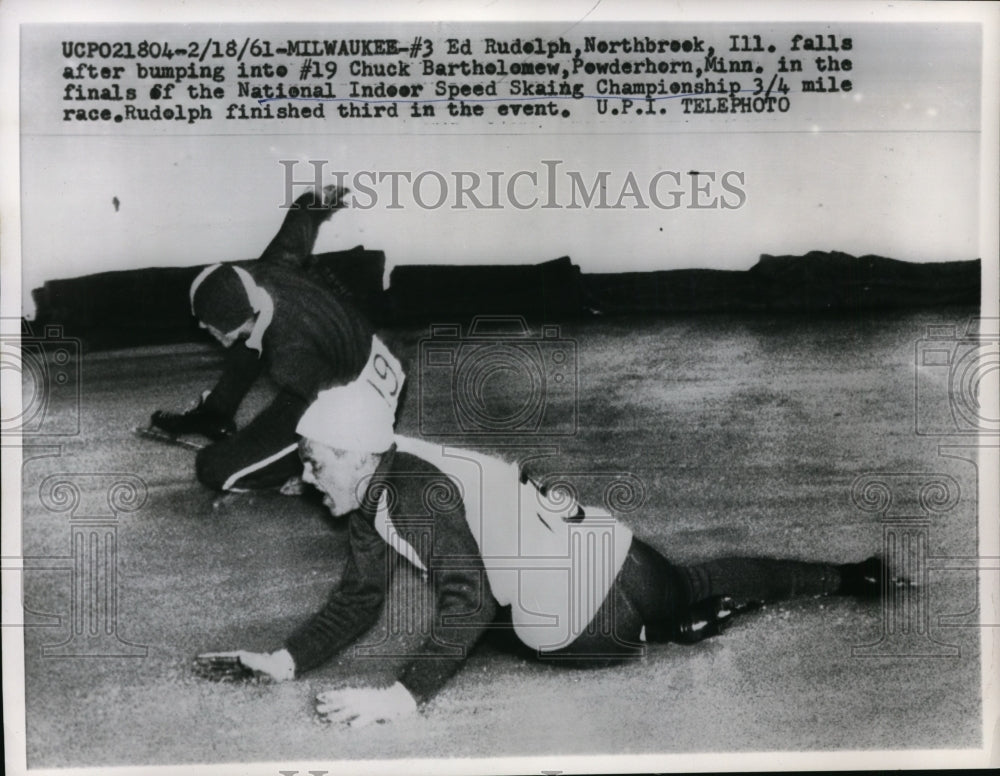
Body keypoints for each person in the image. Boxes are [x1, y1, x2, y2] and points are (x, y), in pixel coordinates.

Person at [194, 377, 899, 727]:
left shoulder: (407, 497)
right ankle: (850, 577)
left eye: (315, 463)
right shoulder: (388, 463)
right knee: (695, 577)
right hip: (623, 555)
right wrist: (283, 660)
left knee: (485, 626)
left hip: (584, 625)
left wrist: (403, 699)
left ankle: (665, 631)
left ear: (352, 455)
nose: (306, 478)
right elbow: (358, 595)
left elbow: (466, 600)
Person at [150, 184, 404, 492]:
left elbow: (329, 409)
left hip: (356, 395)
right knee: (251, 343)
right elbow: (300, 220)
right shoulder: (269, 268)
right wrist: (317, 199)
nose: (206, 331)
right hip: (366, 350)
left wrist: (313, 468)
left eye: (211, 326)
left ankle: (296, 468)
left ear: (231, 318)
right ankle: (215, 414)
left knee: (213, 468)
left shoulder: (289, 353)